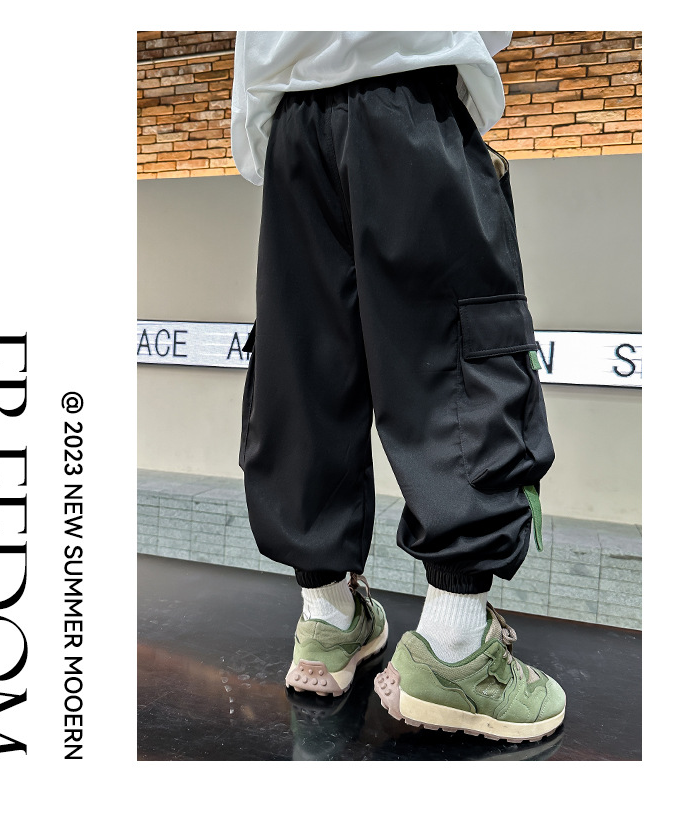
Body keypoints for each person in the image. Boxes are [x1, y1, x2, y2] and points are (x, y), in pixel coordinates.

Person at [231, 31, 565, 743]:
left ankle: (327, 619)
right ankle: (454, 648)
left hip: (290, 117)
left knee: (303, 370)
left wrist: (273, 135)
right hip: (409, 88)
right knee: (456, 358)